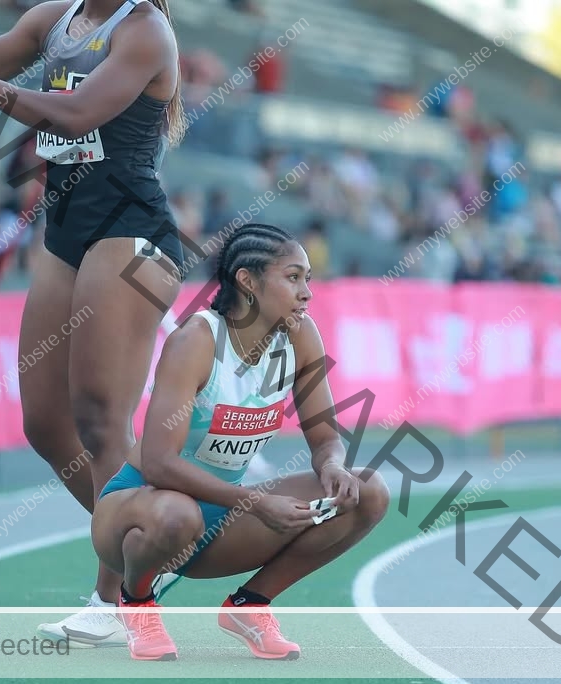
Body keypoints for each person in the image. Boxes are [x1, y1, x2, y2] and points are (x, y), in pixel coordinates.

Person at [0, 0, 188, 646]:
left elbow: (74, 113)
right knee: (45, 422)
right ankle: (147, 531)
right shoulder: (54, 17)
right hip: (67, 230)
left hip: (130, 233)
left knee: (101, 419)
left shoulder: (145, 30)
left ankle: (119, 599)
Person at [92, 223, 390, 661]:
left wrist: (332, 467)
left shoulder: (300, 336)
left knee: (367, 492)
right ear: (247, 281)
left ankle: (250, 606)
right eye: (293, 277)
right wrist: (253, 501)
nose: (307, 291)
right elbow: (157, 463)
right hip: (141, 510)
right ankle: (135, 603)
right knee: (177, 513)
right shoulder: (196, 340)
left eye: (307, 278)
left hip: (222, 518)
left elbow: (325, 436)